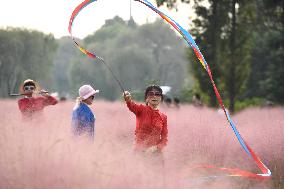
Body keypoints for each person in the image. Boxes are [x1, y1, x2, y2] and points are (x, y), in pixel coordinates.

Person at [123, 85, 168, 154]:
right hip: (139, 151)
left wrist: (155, 148)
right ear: (146, 99)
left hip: (156, 154)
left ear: (161, 98)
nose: (154, 96)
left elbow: (164, 139)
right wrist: (128, 99)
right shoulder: (141, 109)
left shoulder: (163, 117)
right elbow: (131, 105)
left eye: (157, 94)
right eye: (151, 94)